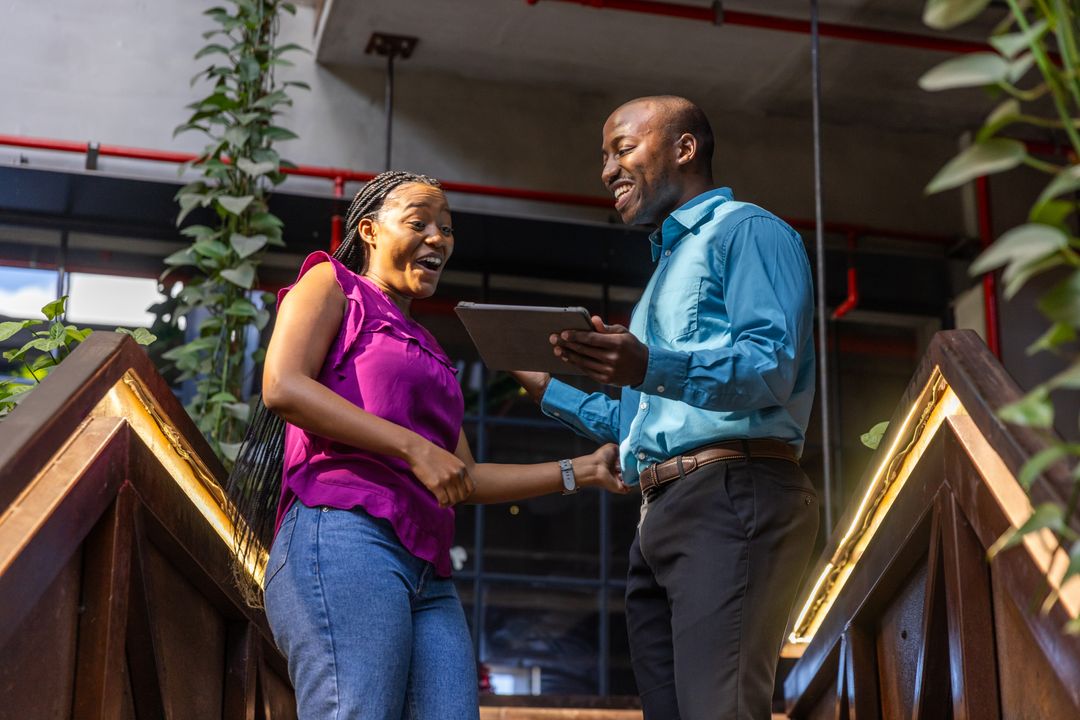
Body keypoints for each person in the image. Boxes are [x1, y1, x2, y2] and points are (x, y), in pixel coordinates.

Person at [226, 170, 628, 720]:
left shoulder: (431, 352)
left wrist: (582, 469)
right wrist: (413, 448)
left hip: (426, 571)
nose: (438, 238)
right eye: (419, 223)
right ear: (369, 230)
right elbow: (283, 386)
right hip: (345, 533)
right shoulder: (334, 283)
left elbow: (462, 477)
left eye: (447, 229)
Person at [512, 97, 820, 720]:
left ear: (684, 149)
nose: (606, 170)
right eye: (605, 156)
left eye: (621, 149)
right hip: (663, 513)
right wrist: (550, 389)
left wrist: (648, 365)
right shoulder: (667, 270)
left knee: (721, 711)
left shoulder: (746, 230)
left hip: (731, 492)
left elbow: (772, 369)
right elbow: (644, 428)